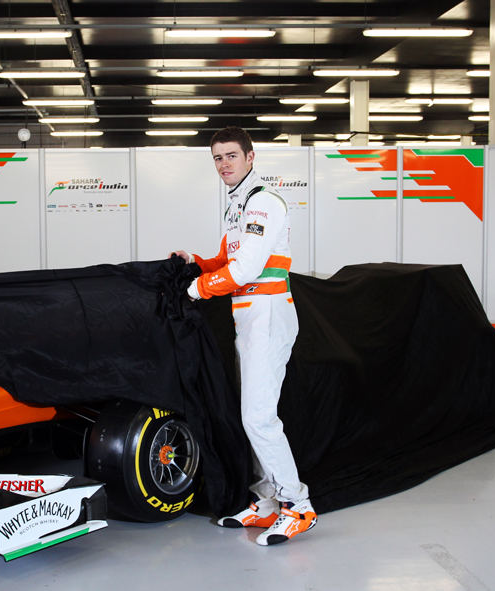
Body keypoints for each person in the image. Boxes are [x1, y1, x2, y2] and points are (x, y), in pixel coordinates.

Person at [173, 127, 315, 546]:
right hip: (250, 318)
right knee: (251, 415)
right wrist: (196, 263)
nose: (224, 164)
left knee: (258, 417)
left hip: (268, 316)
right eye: (217, 158)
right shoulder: (239, 205)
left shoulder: (264, 203)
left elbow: (248, 268)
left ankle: (298, 505)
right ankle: (268, 501)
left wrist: (196, 289)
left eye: (232, 156)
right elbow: (227, 258)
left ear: (251, 158)